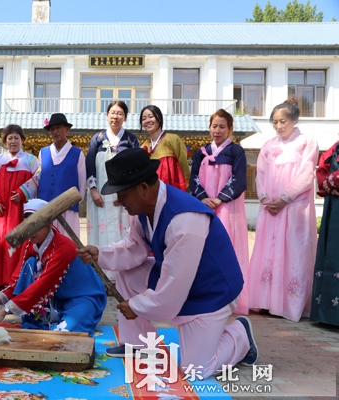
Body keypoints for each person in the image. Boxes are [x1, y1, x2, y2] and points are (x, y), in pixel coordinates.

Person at [76, 148, 257, 379]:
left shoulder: (184, 221)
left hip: (212, 291)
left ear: (143, 188)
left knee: (197, 369)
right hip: (181, 280)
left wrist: (136, 306)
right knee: (126, 271)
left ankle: (241, 335)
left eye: (121, 194)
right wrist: (100, 253)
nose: (118, 202)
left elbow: (171, 293)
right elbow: (134, 248)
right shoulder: (143, 208)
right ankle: (140, 345)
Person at [0, 199, 107, 336]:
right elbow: (18, 280)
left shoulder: (62, 248)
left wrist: (5, 311)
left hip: (82, 296)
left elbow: (44, 284)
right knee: (31, 263)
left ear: (50, 224)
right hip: (56, 296)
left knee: (64, 334)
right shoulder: (29, 244)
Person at [249, 98, 318, 322]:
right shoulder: (269, 146)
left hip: (294, 208)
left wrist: (284, 198)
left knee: (293, 251)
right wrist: (265, 198)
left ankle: (289, 304)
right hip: (270, 209)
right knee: (268, 252)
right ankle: (266, 302)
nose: (279, 126)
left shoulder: (307, 143)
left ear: (295, 119)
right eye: (275, 122)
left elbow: (307, 174)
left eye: (283, 121)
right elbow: (259, 175)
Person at [189, 109, 250, 315]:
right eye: (214, 126)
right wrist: (204, 198)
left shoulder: (236, 152)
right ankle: (207, 293)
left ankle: (232, 296)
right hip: (206, 207)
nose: (217, 130)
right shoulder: (201, 152)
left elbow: (239, 179)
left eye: (222, 126)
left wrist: (220, 198)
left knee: (228, 246)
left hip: (228, 207)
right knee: (204, 247)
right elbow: (194, 179)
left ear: (230, 129)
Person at [0, 124, 40, 290]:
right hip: (1, 209)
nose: (13, 141)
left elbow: (39, 177)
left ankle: (15, 280)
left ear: (22, 140)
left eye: (16, 138)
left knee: (18, 241)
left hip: (20, 208)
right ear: (5, 141)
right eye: (10, 138)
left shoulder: (31, 160)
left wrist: (23, 192)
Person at [86, 101, 140, 283]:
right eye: (112, 112)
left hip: (123, 198)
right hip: (100, 196)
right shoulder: (97, 139)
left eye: (119, 113)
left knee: (122, 232)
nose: (115, 116)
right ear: (107, 115)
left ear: (125, 117)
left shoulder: (131, 140)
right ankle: (101, 277)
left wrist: (125, 193)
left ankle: (121, 277)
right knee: (100, 233)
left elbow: (136, 167)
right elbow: (90, 166)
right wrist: (93, 190)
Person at [37, 113, 86, 237]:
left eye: (58, 127)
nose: (55, 131)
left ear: (67, 129)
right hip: (45, 204)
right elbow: (37, 179)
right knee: (45, 239)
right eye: (52, 129)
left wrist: (76, 200)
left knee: (68, 241)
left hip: (68, 207)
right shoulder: (43, 152)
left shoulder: (77, 153)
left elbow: (82, 180)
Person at [310, 140, 339, 327]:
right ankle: (327, 314)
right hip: (334, 205)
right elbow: (321, 171)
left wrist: (332, 181)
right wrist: (330, 183)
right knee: (331, 253)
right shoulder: (335, 148)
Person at [139, 105, 190, 191]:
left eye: (151, 117)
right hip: (151, 192)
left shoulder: (173, 139)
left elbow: (183, 165)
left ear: (159, 118)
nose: (147, 121)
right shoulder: (144, 146)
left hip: (171, 188)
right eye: (144, 119)